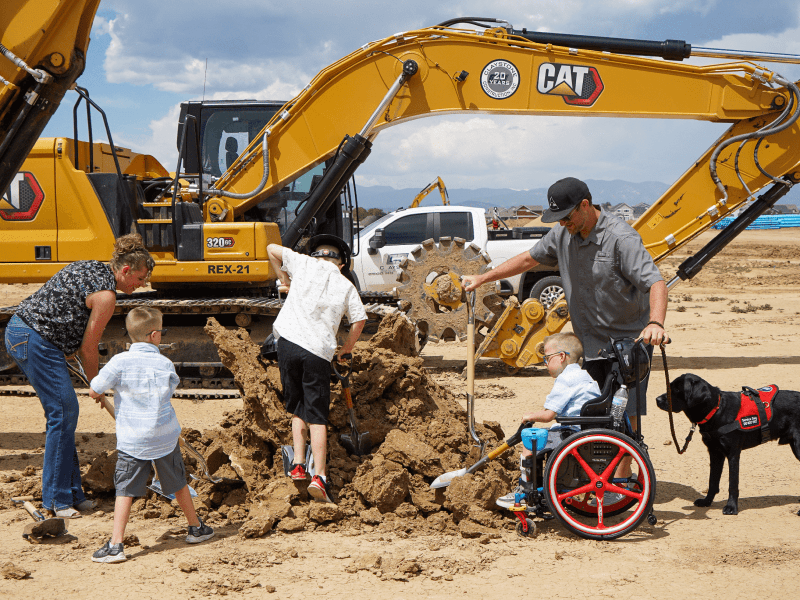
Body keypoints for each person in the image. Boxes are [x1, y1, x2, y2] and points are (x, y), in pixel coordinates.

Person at [463, 177, 669, 483]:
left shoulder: (621, 238)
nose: (563, 223)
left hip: (628, 341)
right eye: (558, 218)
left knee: (627, 413)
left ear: (585, 206)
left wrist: (655, 323)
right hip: (591, 342)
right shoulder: (563, 234)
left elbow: (656, 282)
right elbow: (527, 259)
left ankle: (623, 480)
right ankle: (598, 471)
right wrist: (483, 279)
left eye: (567, 216)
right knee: (593, 410)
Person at [4, 233, 155, 518]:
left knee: (65, 413)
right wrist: (97, 384)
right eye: (141, 278)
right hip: (34, 339)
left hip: (27, 333)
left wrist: (70, 347)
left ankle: (73, 493)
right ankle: (56, 501)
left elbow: (66, 309)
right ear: (126, 270)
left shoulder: (93, 267)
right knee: (63, 412)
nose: (142, 284)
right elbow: (89, 348)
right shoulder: (107, 296)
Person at [88, 307, 214, 563]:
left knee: (125, 489)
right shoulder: (165, 363)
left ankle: (116, 546)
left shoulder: (119, 362)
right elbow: (170, 388)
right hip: (165, 436)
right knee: (178, 483)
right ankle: (196, 528)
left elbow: (94, 389)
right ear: (155, 336)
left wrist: (100, 392)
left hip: (133, 439)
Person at [267, 234, 367, 504]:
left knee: (297, 406)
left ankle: (298, 464)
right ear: (342, 264)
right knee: (317, 415)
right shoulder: (346, 285)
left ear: (316, 256)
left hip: (287, 343)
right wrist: (345, 349)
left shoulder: (303, 264)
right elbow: (359, 321)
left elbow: (271, 248)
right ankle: (319, 476)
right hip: (318, 352)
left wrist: (285, 280)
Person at [495, 333, 600, 508]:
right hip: (584, 430)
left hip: (572, 433)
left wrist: (529, 416)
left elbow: (548, 415)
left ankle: (525, 492)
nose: (544, 363)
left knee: (530, 443)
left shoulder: (566, 378)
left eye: (547, 358)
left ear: (561, 357)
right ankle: (537, 489)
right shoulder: (583, 375)